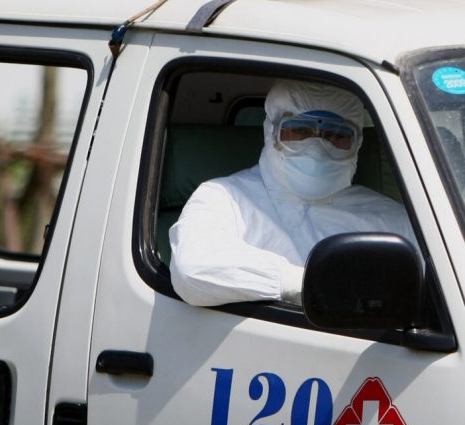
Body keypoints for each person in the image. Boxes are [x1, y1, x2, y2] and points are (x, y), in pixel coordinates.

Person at [169, 80, 416, 307]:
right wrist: (311, 284)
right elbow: (194, 269)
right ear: (271, 132)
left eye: (337, 135)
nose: (318, 149)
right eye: (300, 131)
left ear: (357, 143)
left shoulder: (392, 219)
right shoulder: (224, 198)